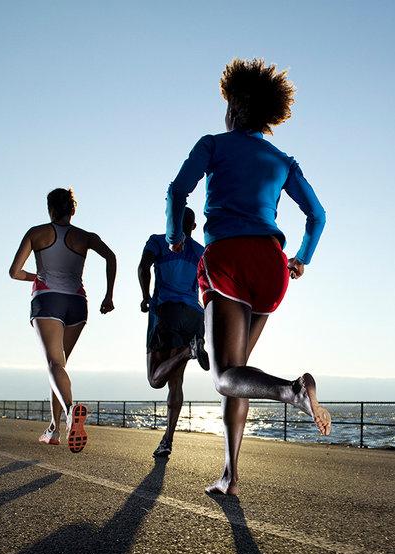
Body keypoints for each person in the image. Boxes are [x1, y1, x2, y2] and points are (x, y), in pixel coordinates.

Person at [165, 58, 329, 496]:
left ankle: (293, 391)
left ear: (235, 107)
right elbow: (317, 215)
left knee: (224, 376)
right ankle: (230, 475)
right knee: (239, 374)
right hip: (272, 268)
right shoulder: (282, 160)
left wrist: (174, 235)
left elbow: (177, 190)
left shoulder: (214, 145)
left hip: (229, 261)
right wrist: (301, 258)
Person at [8, 188, 117, 453]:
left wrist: (36, 277)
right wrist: (108, 296)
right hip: (77, 304)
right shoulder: (85, 236)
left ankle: (70, 413)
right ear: (73, 209)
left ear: (49, 208)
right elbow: (111, 257)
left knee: (54, 363)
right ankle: (54, 430)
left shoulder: (37, 233)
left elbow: (14, 272)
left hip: (48, 300)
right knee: (60, 366)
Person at [139, 206, 210, 459]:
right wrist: (204, 321)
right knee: (176, 383)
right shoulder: (201, 252)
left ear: (172, 224)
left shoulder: (158, 242)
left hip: (165, 313)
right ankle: (167, 440)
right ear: (192, 227)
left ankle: (186, 353)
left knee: (155, 380)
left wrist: (146, 296)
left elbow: (143, 267)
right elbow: (209, 287)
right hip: (192, 315)